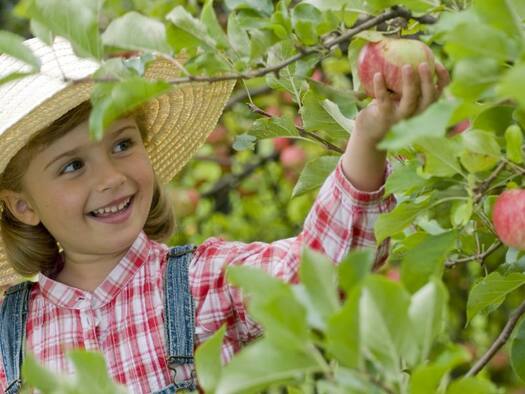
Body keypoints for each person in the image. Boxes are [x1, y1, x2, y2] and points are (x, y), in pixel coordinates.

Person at [0, 37, 449, 393]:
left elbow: (321, 272)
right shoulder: (9, 342)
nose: (111, 178)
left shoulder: (203, 282)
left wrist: (370, 134)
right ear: (23, 205)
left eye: (122, 144)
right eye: (73, 166)